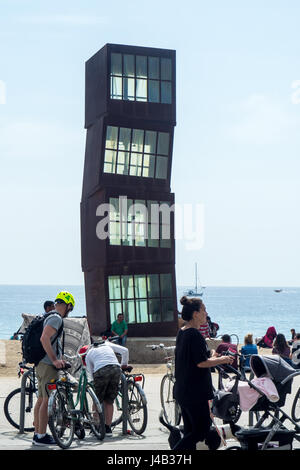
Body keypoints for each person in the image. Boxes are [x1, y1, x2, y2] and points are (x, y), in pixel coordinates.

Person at [172, 296, 234, 450]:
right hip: (194, 393)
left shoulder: (183, 332)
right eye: (204, 310)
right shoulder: (194, 334)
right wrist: (224, 359)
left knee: (190, 431)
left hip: (183, 390)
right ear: (195, 314)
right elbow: (201, 363)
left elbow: (195, 359)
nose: (206, 313)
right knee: (200, 431)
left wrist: (212, 355)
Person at [32, 291, 75, 446]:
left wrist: (59, 357)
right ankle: (42, 436)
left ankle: (38, 433)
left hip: (40, 363)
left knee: (41, 399)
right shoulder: (56, 318)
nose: (69, 312)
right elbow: (44, 338)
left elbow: (51, 340)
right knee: (46, 400)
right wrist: (55, 360)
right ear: (68, 305)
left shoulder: (48, 315)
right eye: (70, 308)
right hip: (47, 364)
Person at [82, 338, 129, 436]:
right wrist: (124, 365)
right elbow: (125, 351)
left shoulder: (89, 353)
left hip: (101, 371)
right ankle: (108, 428)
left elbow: (91, 374)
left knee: (97, 401)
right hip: (116, 369)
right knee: (109, 401)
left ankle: (96, 427)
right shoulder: (108, 345)